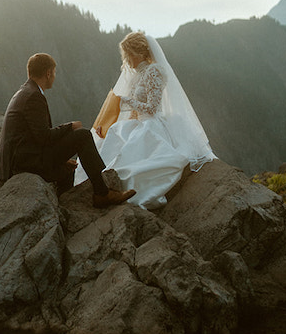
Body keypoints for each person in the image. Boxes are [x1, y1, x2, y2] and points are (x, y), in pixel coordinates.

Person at [76, 31, 214, 209]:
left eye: (129, 54)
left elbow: (152, 107)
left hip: (151, 123)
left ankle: (119, 189)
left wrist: (126, 101)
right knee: (114, 135)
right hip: (137, 122)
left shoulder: (153, 71)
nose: (127, 59)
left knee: (133, 148)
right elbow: (132, 108)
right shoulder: (135, 75)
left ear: (139, 53)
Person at [0, 52, 136, 208]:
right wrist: (69, 126)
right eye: (54, 73)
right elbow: (44, 137)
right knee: (82, 135)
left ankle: (63, 206)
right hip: (22, 164)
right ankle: (102, 193)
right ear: (48, 73)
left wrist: (60, 159)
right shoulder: (33, 97)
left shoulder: (25, 92)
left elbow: (36, 137)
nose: (54, 77)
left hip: (22, 158)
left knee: (67, 169)